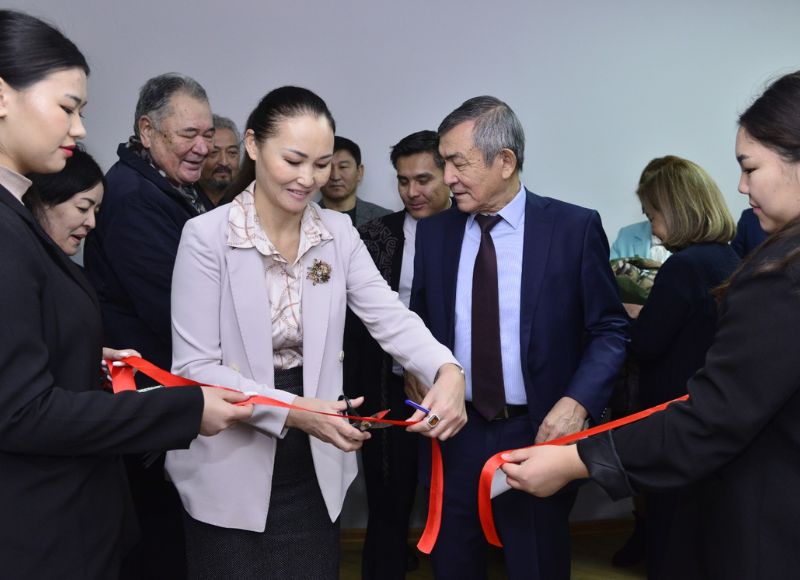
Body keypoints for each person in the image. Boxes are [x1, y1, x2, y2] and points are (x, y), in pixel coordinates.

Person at [500, 70, 800, 580]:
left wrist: (576, 460)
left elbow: (711, 417)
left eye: (750, 167)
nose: (741, 185)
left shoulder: (780, 276)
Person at [164, 86, 468, 579]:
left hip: (316, 455)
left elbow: (389, 316)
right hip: (232, 451)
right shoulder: (207, 237)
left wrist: (446, 369)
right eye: (294, 160)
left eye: (322, 164)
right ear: (253, 145)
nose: (309, 179)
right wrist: (297, 413)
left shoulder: (337, 233)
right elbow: (196, 368)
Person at [0, 10, 250, 580]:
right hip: (39, 528)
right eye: (67, 107)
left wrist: (84, 354)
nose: (79, 129)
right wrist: (186, 408)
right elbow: (22, 411)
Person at [410, 96, 628, 579]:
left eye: (458, 163)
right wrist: (415, 371)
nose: (447, 177)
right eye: (444, 163)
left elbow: (610, 329)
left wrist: (577, 403)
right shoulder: (435, 234)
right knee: (453, 564)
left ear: (505, 161)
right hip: (455, 433)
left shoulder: (572, 228)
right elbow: (419, 324)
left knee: (537, 563)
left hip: (538, 433)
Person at [83, 72, 216, 579]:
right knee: (159, 543)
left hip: (169, 394)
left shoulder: (171, 184)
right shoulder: (133, 195)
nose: (203, 147)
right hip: (148, 395)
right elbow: (172, 308)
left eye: (207, 134)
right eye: (189, 134)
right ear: (147, 130)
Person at [620, 155, 739, 576]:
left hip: (672, 414)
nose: (653, 228)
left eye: (653, 215)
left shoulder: (683, 267)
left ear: (676, 210)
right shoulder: (730, 258)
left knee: (670, 534)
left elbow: (647, 345)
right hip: (711, 414)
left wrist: (630, 318)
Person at [345, 129, 452, 579]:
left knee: (455, 501)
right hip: (388, 389)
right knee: (389, 499)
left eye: (423, 179)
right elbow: (358, 324)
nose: (412, 192)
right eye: (403, 181)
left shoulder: (472, 231)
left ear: (448, 175)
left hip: (457, 390)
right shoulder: (375, 236)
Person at [319, 135, 391, 226]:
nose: (335, 176)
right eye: (327, 167)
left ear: (359, 172)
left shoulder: (385, 218)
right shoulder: (303, 218)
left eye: (343, 167)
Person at [198, 114, 241, 207]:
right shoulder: (182, 199)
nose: (224, 162)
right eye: (214, 152)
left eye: (232, 152)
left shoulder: (249, 201)